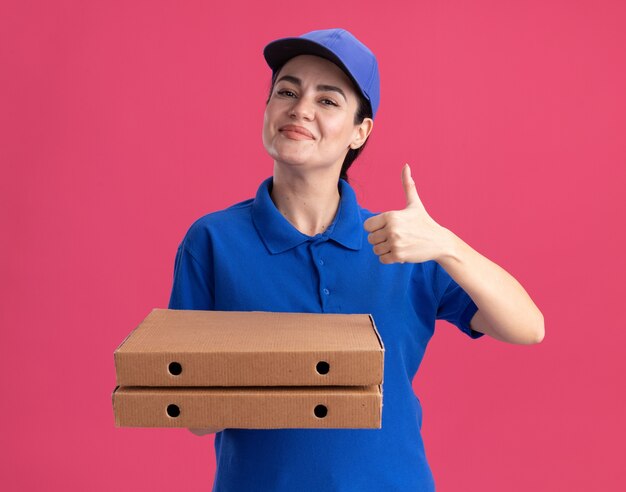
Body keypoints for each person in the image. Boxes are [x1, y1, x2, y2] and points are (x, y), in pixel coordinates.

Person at [168, 28, 544, 492]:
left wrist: (448, 245)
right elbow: (192, 414)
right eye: (286, 91)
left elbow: (528, 327)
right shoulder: (212, 242)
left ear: (360, 131)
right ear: (267, 109)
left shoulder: (404, 243)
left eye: (328, 101)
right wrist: (286, 369)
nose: (300, 108)